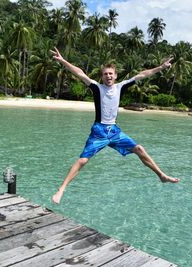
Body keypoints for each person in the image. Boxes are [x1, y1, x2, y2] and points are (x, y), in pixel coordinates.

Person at [51, 47, 179, 204]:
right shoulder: (96, 88)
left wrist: (160, 67)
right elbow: (80, 73)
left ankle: (161, 175)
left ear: (115, 76)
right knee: (83, 161)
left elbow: (142, 75)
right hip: (99, 131)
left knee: (139, 149)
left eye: (111, 73)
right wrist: (63, 61)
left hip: (114, 131)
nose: (108, 76)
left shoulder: (121, 87)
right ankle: (61, 189)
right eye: (105, 74)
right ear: (102, 76)